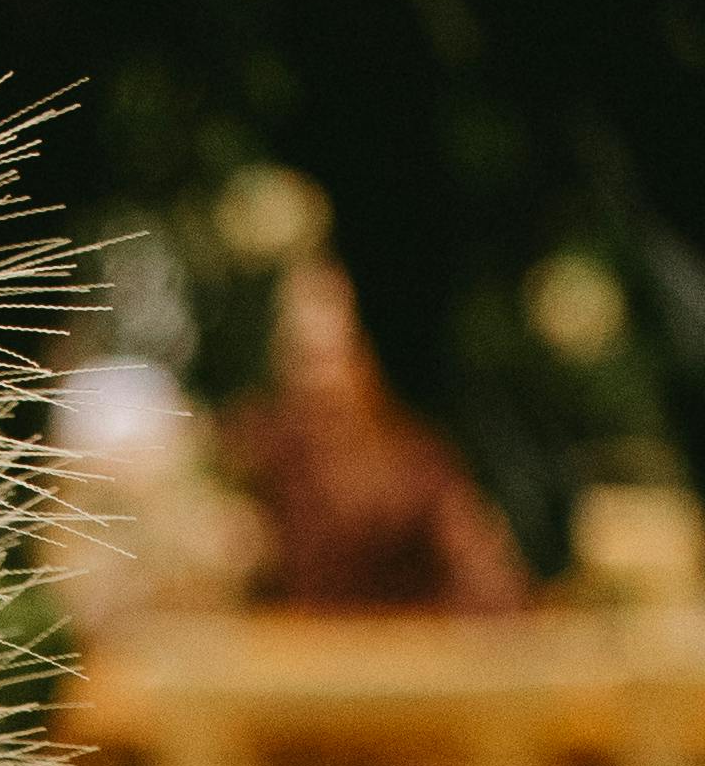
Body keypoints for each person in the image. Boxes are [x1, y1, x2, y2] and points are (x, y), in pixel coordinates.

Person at [221, 257, 529, 616]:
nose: (317, 383)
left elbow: (493, 584)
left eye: (329, 360)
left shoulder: (417, 460)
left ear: (368, 362)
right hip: (295, 664)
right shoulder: (261, 446)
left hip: (402, 664)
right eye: (301, 359)